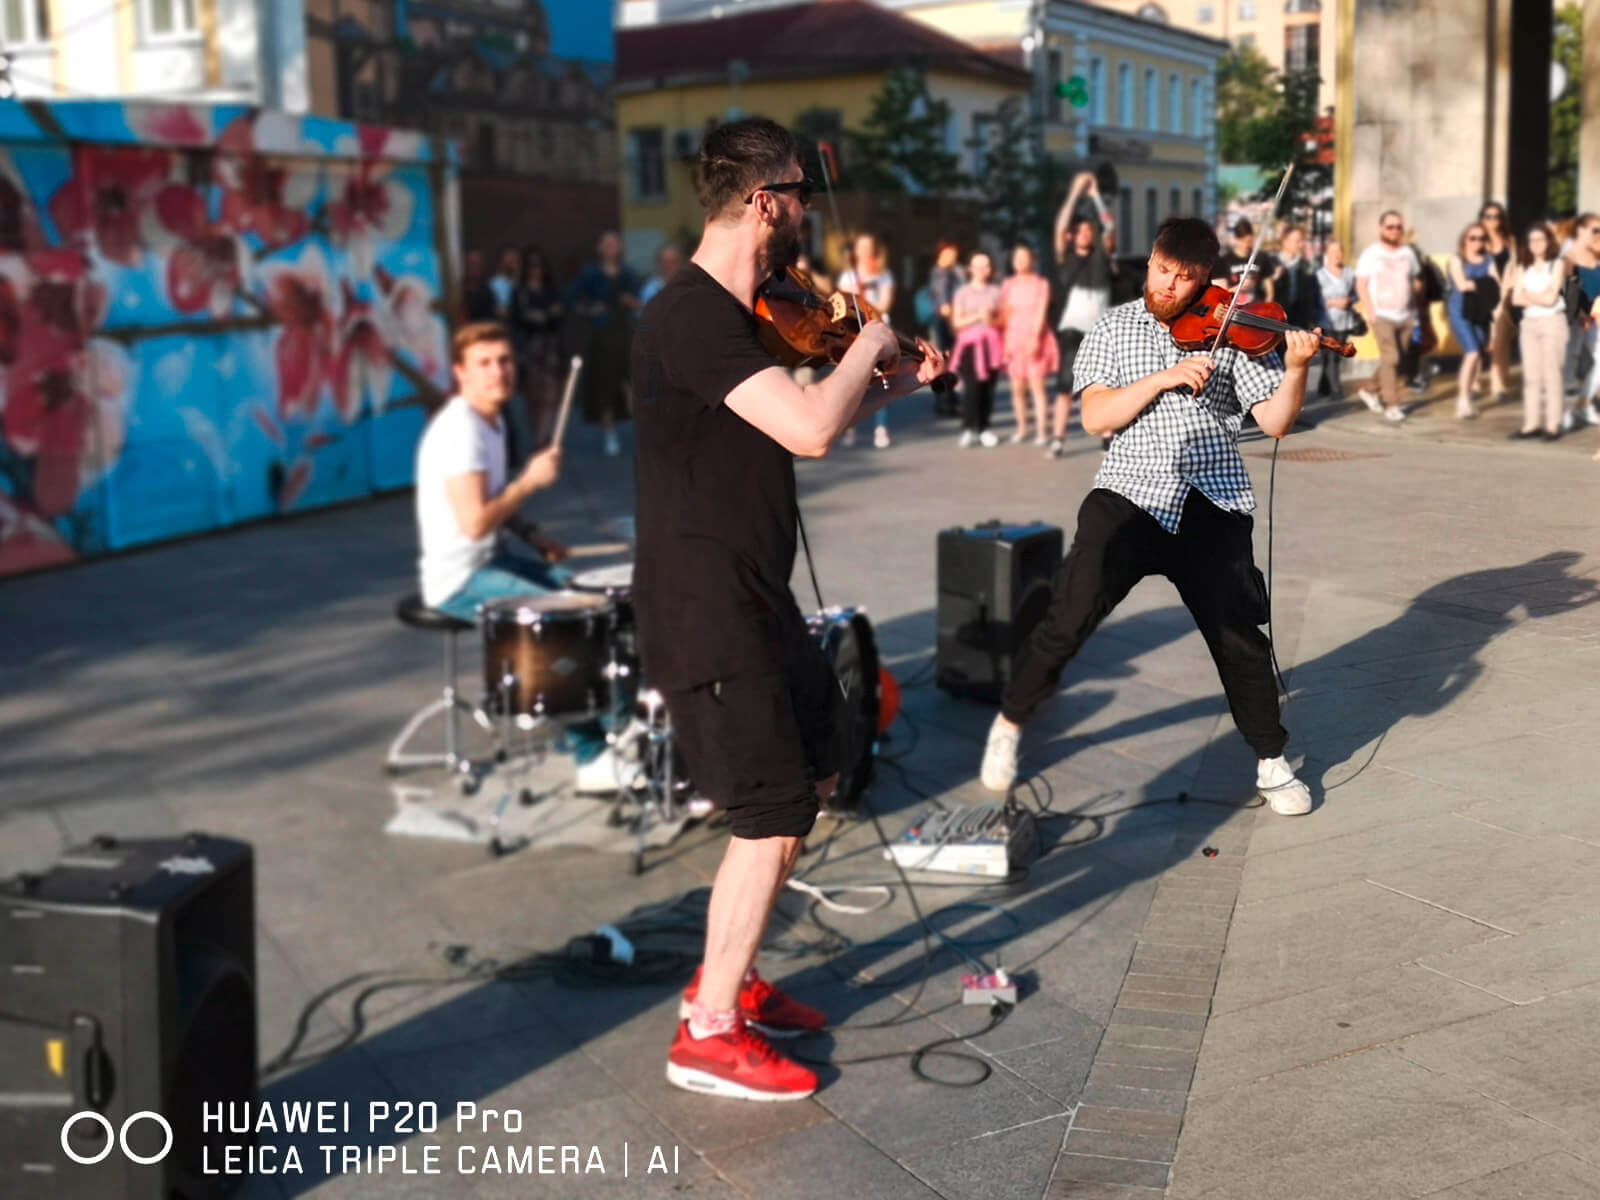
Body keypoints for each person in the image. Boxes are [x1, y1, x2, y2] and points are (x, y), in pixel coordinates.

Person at [631, 117, 946, 1101]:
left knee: (811, 775)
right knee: (767, 810)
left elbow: (808, 421)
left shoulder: (744, 318)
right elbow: (811, 426)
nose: (809, 214)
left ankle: (731, 979)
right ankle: (707, 1032)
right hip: (704, 602)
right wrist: (876, 339)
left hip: (753, 592)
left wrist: (892, 384)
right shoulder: (688, 314)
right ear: (764, 200)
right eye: (801, 197)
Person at [977, 217, 1317, 817]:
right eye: (1162, 270)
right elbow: (1095, 419)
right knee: (1070, 613)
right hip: (1129, 493)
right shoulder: (1112, 327)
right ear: (1150, 261)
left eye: (1186, 279)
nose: (1169, 286)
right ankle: (1009, 721)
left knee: (1237, 632)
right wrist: (1163, 379)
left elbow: (1275, 423)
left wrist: (1296, 369)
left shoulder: (1231, 329)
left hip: (1212, 497)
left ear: (1207, 278)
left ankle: (1271, 756)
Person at [413, 322, 617, 791]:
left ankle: (583, 731)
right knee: (564, 625)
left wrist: (533, 532)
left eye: (504, 361)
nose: (497, 372)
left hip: (491, 558)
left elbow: (495, 504)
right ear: (460, 373)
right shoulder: (460, 430)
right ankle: (591, 754)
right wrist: (530, 481)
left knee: (585, 595)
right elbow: (475, 523)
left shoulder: (494, 420)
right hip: (459, 579)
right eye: (484, 364)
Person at [1051, 172, 1115, 457]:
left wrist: (1096, 198)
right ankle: (1058, 439)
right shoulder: (1067, 257)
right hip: (1073, 328)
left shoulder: (1102, 254)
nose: (1087, 233)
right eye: (1082, 230)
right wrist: (1075, 192)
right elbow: (1061, 225)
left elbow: (1109, 228)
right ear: (1073, 235)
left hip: (1100, 329)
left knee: (1104, 385)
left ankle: (1107, 437)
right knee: (1066, 384)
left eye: (1091, 230)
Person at [564, 231, 640, 457]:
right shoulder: (591, 274)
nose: (611, 248)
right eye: (607, 244)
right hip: (601, 334)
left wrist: (631, 302)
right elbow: (570, 298)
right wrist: (589, 310)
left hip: (624, 331)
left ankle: (641, 430)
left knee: (632, 382)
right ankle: (610, 434)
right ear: (600, 248)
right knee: (605, 384)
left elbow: (638, 301)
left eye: (614, 244)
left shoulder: (628, 273)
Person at [1354, 209, 1420, 422]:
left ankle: (1370, 390)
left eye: (1399, 226)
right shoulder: (1371, 253)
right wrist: (1370, 311)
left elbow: (1414, 279)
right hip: (1382, 315)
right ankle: (1393, 405)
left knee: (1394, 362)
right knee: (1392, 357)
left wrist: (1415, 307)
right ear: (1381, 228)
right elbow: (1361, 284)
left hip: (1406, 315)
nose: (1395, 230)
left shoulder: (1407, 253)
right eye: (1390, 226)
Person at [1507, 223, 1570, 441]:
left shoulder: (1557, 264)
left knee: (1551, 374)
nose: (1536, 244)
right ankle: (1531, 424)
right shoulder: (1521, 268)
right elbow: (1515, 299)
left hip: (1552, 322)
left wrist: (1528, 294)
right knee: (1532, 377)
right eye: (1532, 240)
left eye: (1540, 239)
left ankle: (1553, 425)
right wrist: (1539, 296)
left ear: (1548, 241)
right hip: (1529, 325)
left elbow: (1551, 299)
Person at [836, 233, 897, 448]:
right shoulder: (848, 276)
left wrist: (867, 300)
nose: (864, 251)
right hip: (856, 333)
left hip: (879, 329)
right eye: (860, 247)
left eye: (868, 247)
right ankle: (849, 427)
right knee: (854, 380)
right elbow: (845, 306)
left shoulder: (884, 275)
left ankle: (881, 428)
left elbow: (885, 304)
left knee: (882, 378)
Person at [999, 242, 1058, 447]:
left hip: (1035, 337)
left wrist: (1035, 337)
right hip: (1013, 337)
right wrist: (1005, 341)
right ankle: (1022, 428)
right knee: (1017, 388)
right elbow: (1005, 314)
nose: (1021, 261)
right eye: (1017, 258)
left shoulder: (1041, 284)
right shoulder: (1008, 285)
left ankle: (1042, 431)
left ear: (1033, 260)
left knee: (1037, 387)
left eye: (1025, 257)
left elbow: (1041, 312)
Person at [1445, 222, 1500, 420]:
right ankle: (1462, 401)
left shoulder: (1488, 260)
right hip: (1461, 311)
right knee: (1472, 352)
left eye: (1482, 238)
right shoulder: (1457, 260)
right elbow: (1461, 285)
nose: (1477, 242)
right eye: (1473, 238)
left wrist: (1481, 286)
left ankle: (1465, 397)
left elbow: (1497, 287)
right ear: (1465, 239)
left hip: (1481, 313)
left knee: (1478, 355)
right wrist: (1486, 285)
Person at [509, 245, 563, 449]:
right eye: (532, 266)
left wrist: (541, 316)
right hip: (529, 349)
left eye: (539, 266)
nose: (536, 270)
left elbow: (558, 317)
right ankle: (538, 435)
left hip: (550, 349)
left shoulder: (551, 290)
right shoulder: (520, 292)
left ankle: (543, 438)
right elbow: (517, 319)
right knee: (533, 397)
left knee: (550, 395)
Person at [948, 250, 1004, 448]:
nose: (982, 270)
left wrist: (992, 319)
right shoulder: (962, 293)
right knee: (972, 388)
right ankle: (968, 428)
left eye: (986, 266)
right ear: (970, 269)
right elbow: (957, 321)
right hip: (970, 345)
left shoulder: (996, 292)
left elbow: (1003, 319)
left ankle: (984, 428)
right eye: (978, 266)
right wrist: (978, 316)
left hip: (992, 345)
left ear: (990, 269)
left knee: (988, 388)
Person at [1269, 225, 1330, 395]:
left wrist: (1311, 320)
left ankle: (1290, 400)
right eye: (1297, 241)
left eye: (1302, 241)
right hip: (1274, 320)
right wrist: (1274, 278)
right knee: (1275, 362)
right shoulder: (1271, 263)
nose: (1300, 244)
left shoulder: (1305, 266)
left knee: (1295, 362)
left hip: (1298, 320)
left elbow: (1311, 294)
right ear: (1285, 242)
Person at [1479, 201, 1517, 404]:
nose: (1493, 220)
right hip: (1482, 297)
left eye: (1497, 216)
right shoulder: (1477, 240)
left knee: (1500, 342)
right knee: (1480, 343)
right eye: (1489, 216)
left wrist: (1514, 292)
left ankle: (1498, 384)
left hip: (1505, 297)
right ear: (1482, 218)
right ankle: (1475, 382)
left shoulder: (1510, 241)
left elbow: (1516, 267)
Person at [1564, 213, 1600, 426]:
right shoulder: (1570, 257)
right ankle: (1576, 407)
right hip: (1581, 317)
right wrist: (1579, 314)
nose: (1597, 235)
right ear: (1580, 231)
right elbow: (1568, 291)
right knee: (1573, 358)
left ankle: (1582, 403)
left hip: (1596, 315)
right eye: (1594, 230)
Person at [925, 239, 965, 417]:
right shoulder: (942, 274)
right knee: (945, 362)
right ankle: (945, 402)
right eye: (949, 254)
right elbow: (944, 305)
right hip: (945, 322)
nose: (953, 257)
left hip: (948, 320)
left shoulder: (951, 272)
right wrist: (954, 326)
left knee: (948, 363)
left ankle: (948, 400)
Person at [1315, 237, 1358, 398]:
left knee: (1337, 355)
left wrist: (1350, 301)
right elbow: (1315, 299)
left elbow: (1357, 294)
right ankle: (1335, 389)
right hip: (1326, 321)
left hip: (1344, 321)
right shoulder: (1319, 275)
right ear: (1328, 254)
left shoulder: (1350, 273)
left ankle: (1323, 387)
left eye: (1339, 251)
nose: (1337, 255)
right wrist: (1333, 303)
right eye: (1333, 252)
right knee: (1330, 354)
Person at [1213, 218, 1274, 304]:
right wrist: (1239, 288)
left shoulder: (1261, 258)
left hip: (1257, 308)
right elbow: (1221, 295)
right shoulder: (1224, 261)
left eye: (1249, 241)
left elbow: (1269, 290)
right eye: (1242, 241)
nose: (1246, 245)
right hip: (1234, 310)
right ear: (1236, 239)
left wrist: (1267, 309)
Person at [461, 249, 496, 322]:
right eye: (471, 263)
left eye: (477, 264)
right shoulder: (457, 291)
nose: (474, 268)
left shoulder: (488, 292)